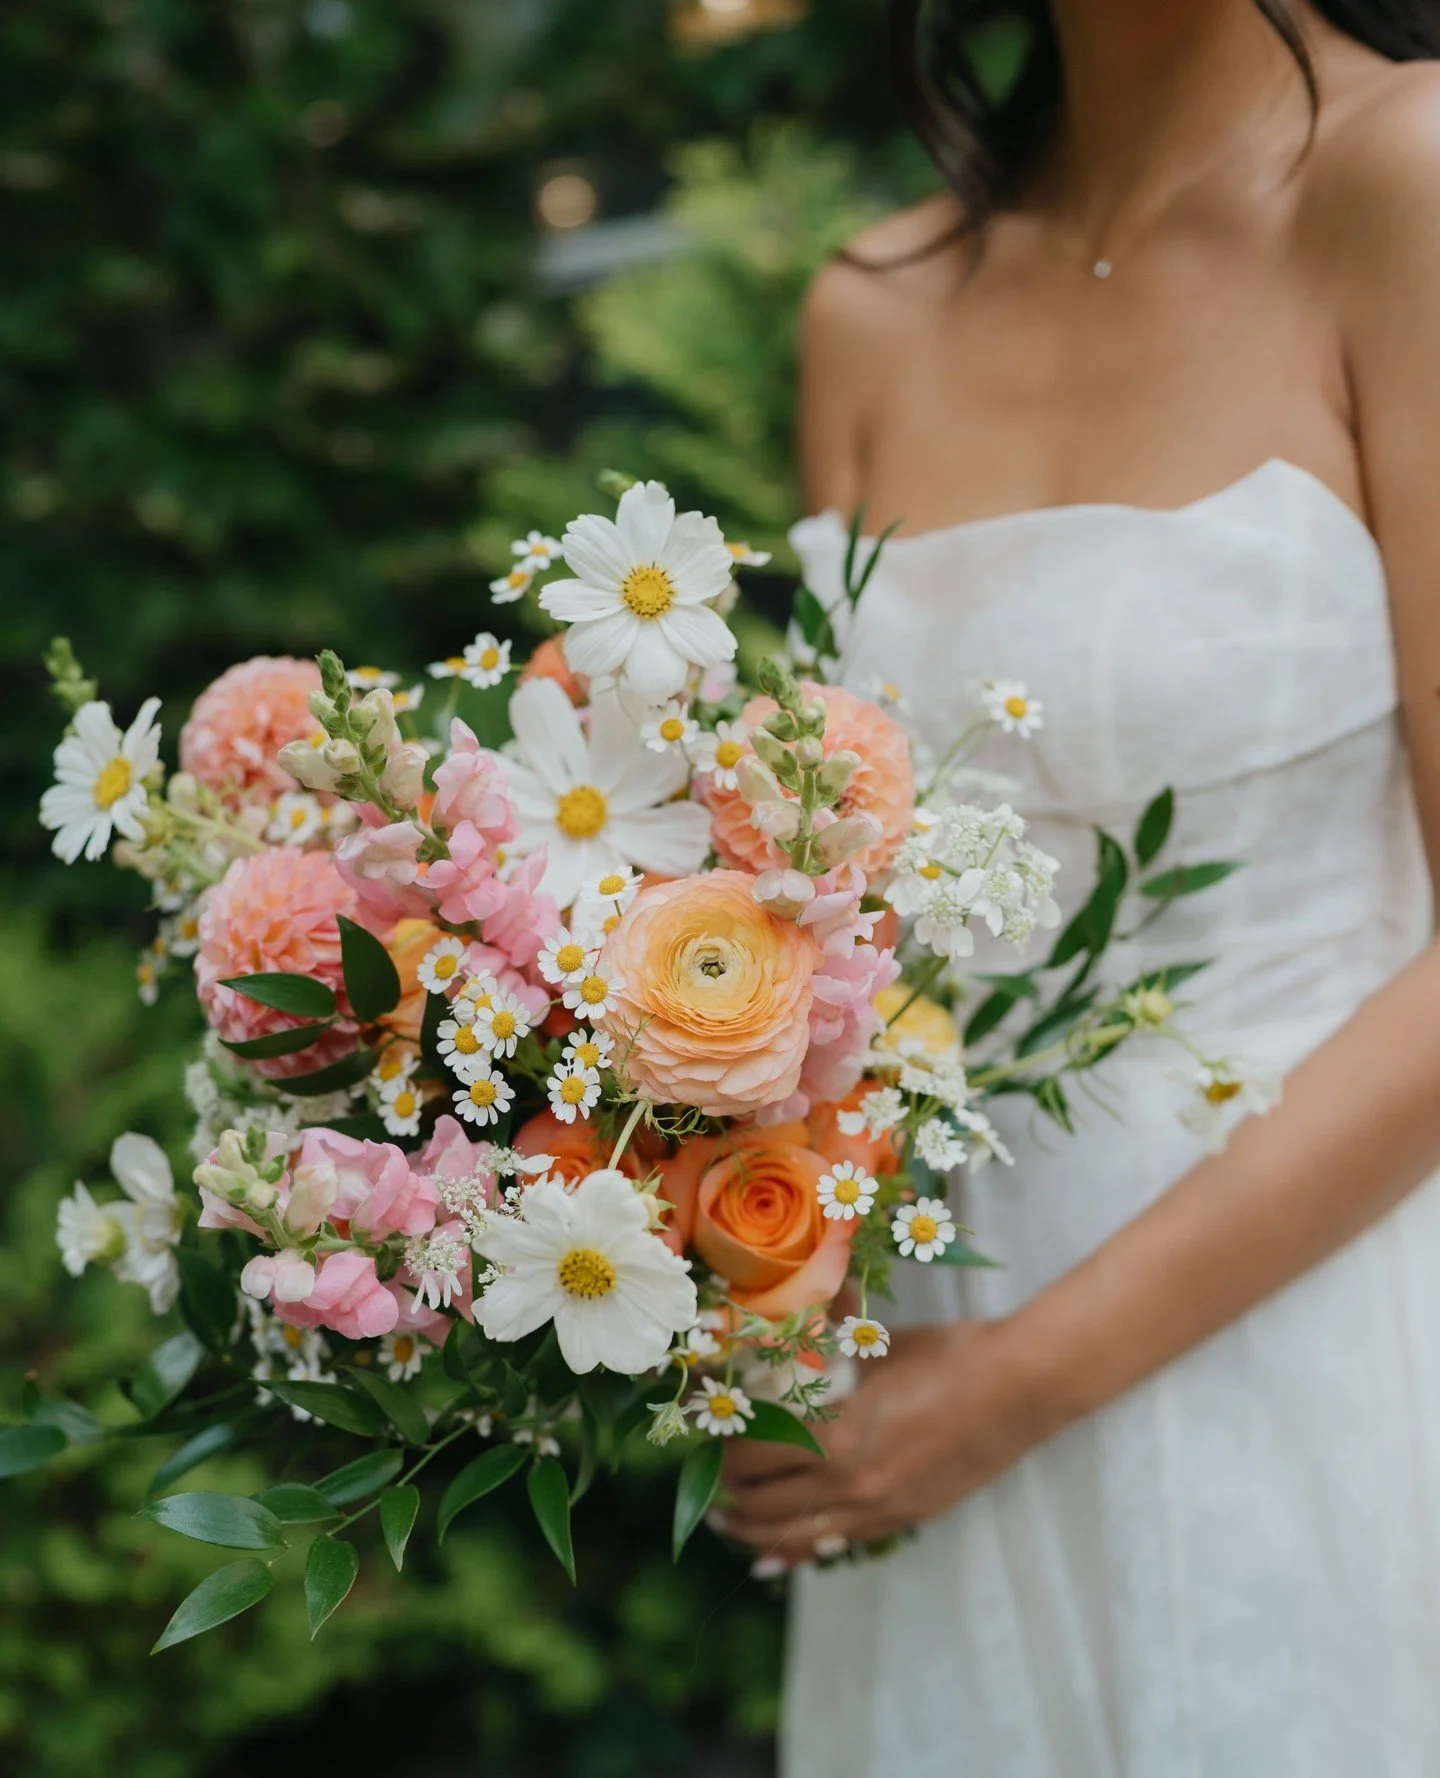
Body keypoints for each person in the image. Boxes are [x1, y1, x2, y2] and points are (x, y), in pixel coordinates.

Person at [712, 4, 1440, 1773]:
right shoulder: (871, 306)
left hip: (1323, 1350)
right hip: (917, 1400)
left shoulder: (1404, 181)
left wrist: (1015, 1385)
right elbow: (846, 944)